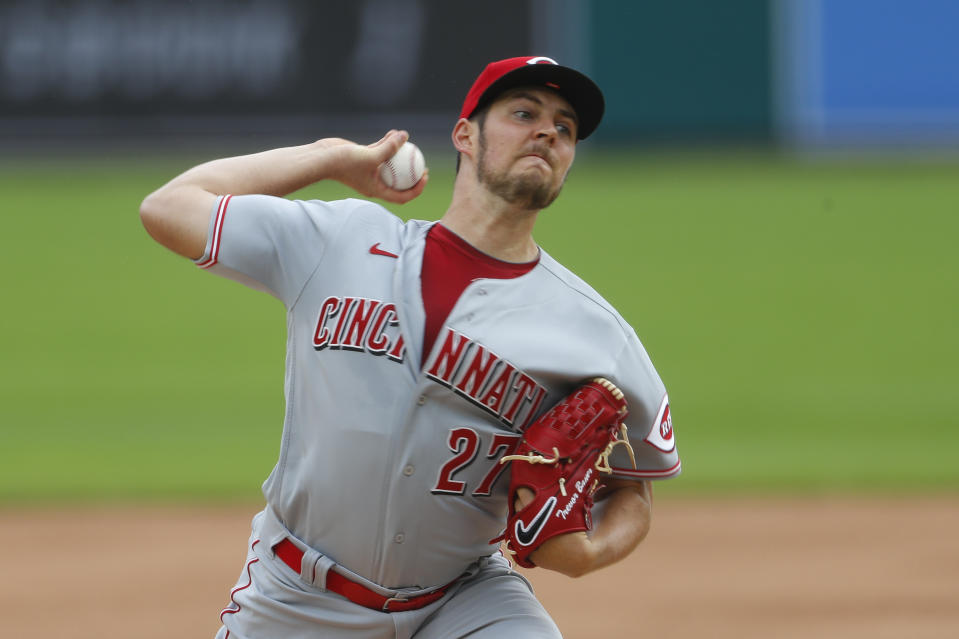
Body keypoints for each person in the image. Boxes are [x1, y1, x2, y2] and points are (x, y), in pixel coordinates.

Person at [140, 55, 681, 639]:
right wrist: (329, 156)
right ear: (464, 136)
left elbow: (634, 484)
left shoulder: (593, 330)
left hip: (466, 599)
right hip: (297, 598)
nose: (548, 132)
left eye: (565, 127)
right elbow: (168, 208)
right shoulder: (340, 241)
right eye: (524, 113)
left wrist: (589, 553)